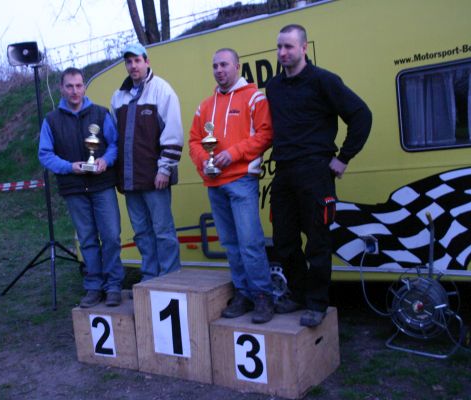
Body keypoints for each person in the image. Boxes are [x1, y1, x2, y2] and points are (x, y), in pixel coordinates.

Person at [266, 24, 372, 327]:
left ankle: (316, 303)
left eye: (289, 46)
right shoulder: (273, 87)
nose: (283, 52)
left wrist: (344, 158)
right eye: (279, 47)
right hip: (284, 172)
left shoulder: (324, 81)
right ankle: (298, 294)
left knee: (317, 242)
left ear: (304, 48)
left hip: (316, 171)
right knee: (284, 242)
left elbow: (361, 115)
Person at [189, 48, 275, 324]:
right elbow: (194, 141)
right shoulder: (205, 106)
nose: (219, 70)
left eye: (224, 64)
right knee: (230, 244)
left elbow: (266, 134)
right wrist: (204, 161)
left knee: (250, 243)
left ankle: (262, 296)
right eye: (215, 65)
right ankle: (243, 293)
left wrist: (234, 153)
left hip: (242, 181)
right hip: (214, 183)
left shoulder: (254, 97)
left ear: (237, 66)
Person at [39, 67, 124, 308]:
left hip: (102, 185)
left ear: (84, 87)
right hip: (74, 188)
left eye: (78, 86)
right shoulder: (51, 120)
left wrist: (105, 160)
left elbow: (115, 144)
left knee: (111, 236)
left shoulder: (100, 113)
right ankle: (94, 286)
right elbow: (45, 155)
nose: (74, 91)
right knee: (87, 239)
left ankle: (114, 286)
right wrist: (69, 167)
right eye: (69, 86)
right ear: (61, 89)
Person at [110, 43, 183, 282]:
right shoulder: (118, 97)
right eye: (128, 62)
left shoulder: (162, 90)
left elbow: (173, 133)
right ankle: (150, 278)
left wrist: (165, 169)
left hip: (155, 178)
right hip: (130, 180)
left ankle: (170, 277)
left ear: (147, 61)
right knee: (141, 233)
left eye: (137, 60)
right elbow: (115, 139)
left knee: (163, 231)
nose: (133, 66)